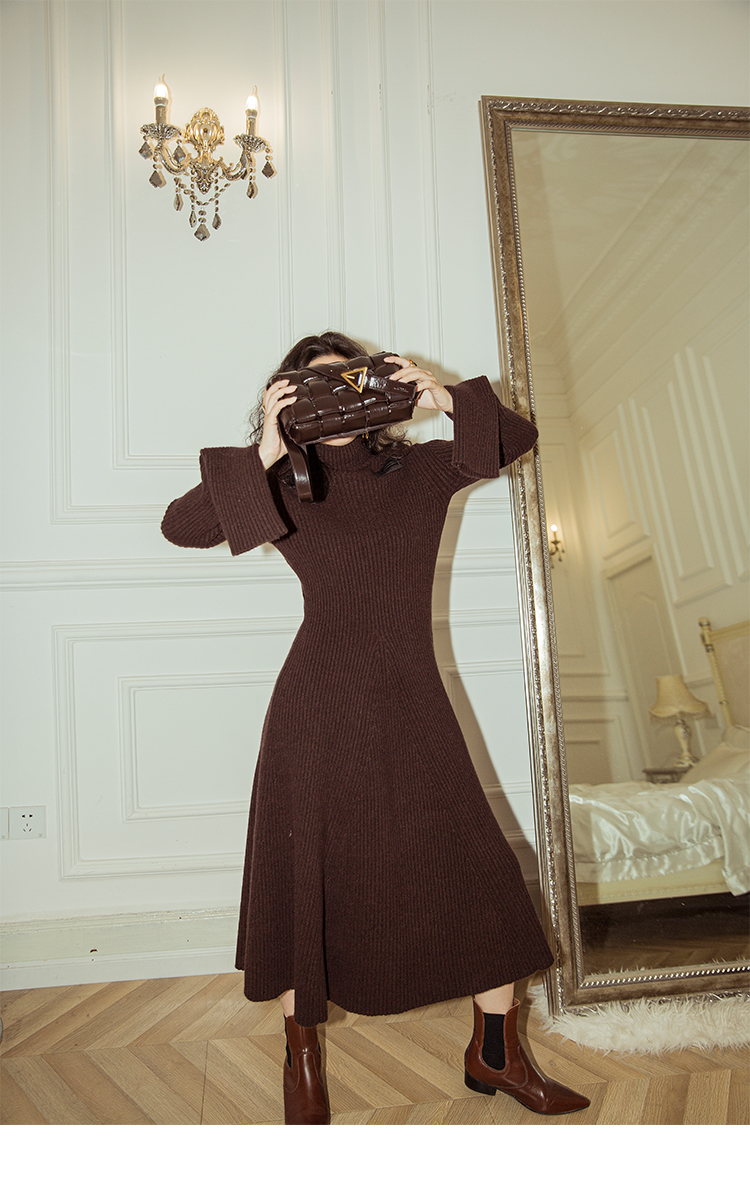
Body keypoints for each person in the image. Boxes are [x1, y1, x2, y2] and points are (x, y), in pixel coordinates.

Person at [161, 331, 589, 1124]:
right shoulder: (286, 488)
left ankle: (496, 1054)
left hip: (412, 699)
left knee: (478, 870)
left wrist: (440, 396)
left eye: (349, 382)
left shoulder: (420, 471)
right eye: (311, 389)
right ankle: (302, 1061)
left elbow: (517, 437)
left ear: (375, 392)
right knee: (309, 878)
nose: (335, 400)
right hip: (316, 710)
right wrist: (264, 448)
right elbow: (181, 526)